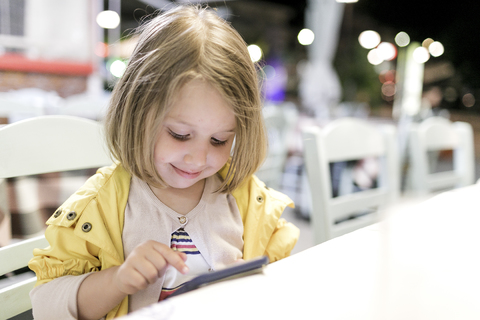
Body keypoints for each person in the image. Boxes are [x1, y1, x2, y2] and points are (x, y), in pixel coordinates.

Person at [28, 5, 299, 320]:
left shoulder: (247, 200)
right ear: (137, 113)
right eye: (180, 135)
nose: (198, 158)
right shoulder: (100, 206)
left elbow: (285, 284)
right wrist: (116, 281)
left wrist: (258, 287)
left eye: (219, 140)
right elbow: (46, 307)